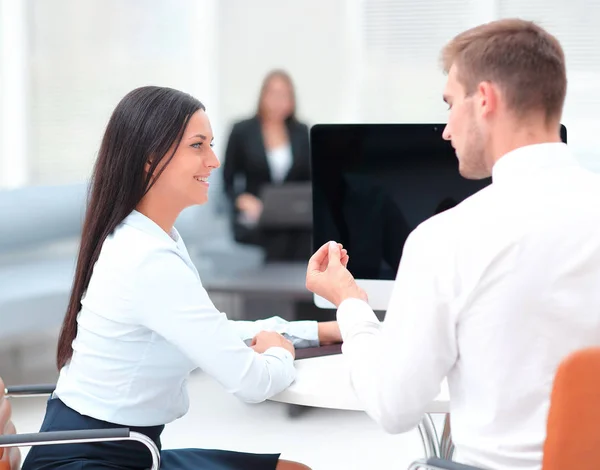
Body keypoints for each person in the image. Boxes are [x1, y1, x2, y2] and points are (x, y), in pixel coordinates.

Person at [305, 19, 600, 470]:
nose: (445, 130)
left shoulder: (447, 238)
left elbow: (394, 405)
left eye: (449, 104)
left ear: (484, 100)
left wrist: (348, 301)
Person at [23, 86, 345, 470]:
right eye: (198, 146)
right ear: (150, 158)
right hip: (91, 458)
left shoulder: (150, 237)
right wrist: (281, 351)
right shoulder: (147, 260)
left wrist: (318, 331)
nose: (214, 160)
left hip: (120, 448)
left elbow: (209, 330)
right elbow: (253, 382)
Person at [222, 70, 312, 262]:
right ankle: (278, 291)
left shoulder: (301, 132)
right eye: (273, 94)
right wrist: (242, 200)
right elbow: (227, 181)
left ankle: (298, 290)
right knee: (277, 237)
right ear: (263, 96)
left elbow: (309, 180)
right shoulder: (242, 131)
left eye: (284, 95)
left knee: (304, 236)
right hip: (256, 214)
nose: (278, 101)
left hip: (293, 215)